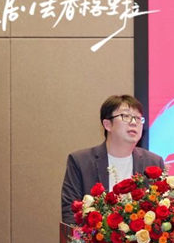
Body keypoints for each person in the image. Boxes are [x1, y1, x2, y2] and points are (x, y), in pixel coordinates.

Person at [61, 95, 166, 224]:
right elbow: (70, 215)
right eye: (126, 116)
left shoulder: (154, 163)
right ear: (107, 124)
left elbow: (163, 213)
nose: (134, 122)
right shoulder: (80, 162)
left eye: (138, 118)